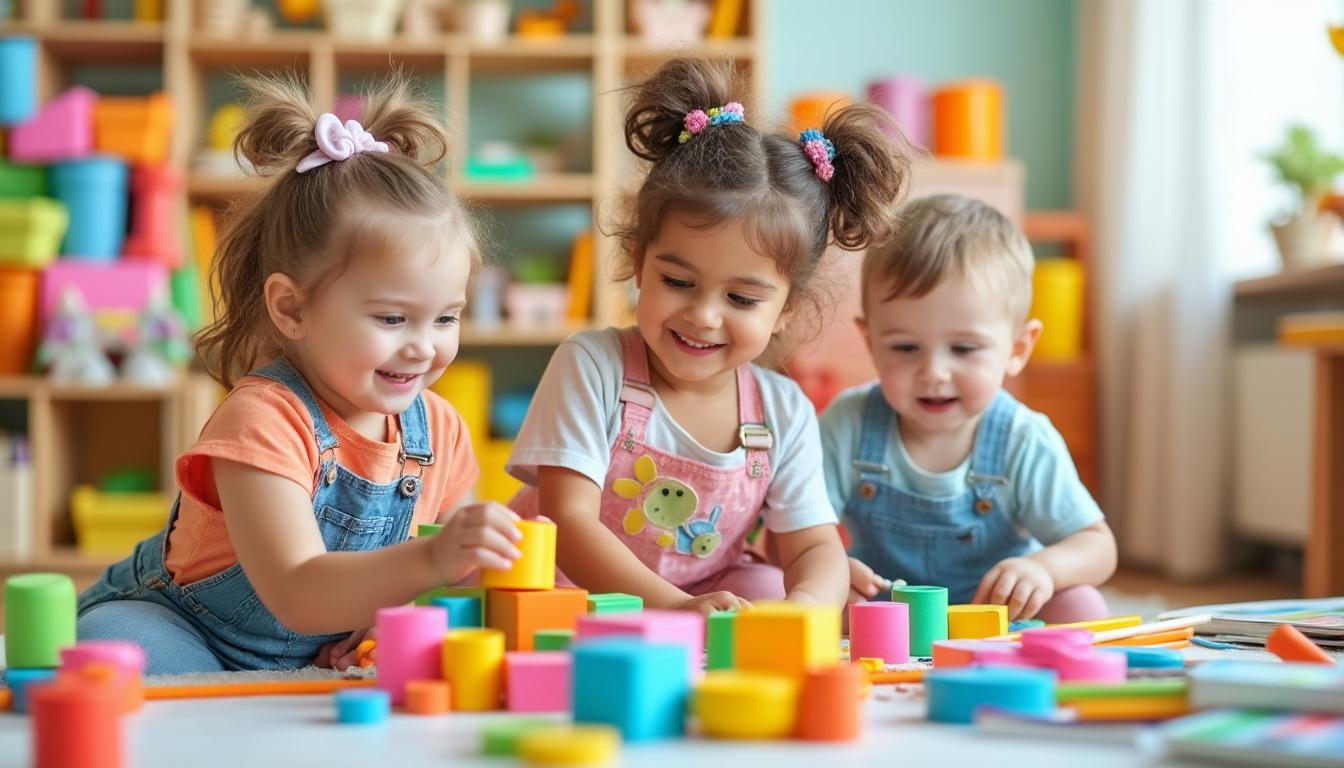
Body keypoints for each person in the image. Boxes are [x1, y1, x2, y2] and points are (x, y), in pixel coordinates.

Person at [76, 75, 522, 674]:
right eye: (392, 318)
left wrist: (395, 613)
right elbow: (298, 590)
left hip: (311, 652)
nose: (422, 347)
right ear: (291, 308)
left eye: (445, 318)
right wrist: (434, 560)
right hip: (182, 625)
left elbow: (449, 582)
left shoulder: (439, 431)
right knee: (125, 651)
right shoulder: (263, 418)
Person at [506, 58, 911, 615]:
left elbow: (812, 545)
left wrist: (809, 605)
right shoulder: (593, 365)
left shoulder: (782, 411)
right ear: (637, 260)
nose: (703, 315)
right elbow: (568, 523)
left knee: (772, 591)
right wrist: (669, 607)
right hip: (572, 591)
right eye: (678, 281)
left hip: (704, 596)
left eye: (741, 299)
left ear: (787, 307)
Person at [822, 194, 1116, 622]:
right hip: (884, 614)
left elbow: (1097, 545)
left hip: (998, 612)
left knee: (1082, 604)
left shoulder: (1022, 437)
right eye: (905, 347)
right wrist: (829, 568)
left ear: (1017, 349)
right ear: (871, 342)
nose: (934, 372)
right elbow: (793, 530)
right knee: (799, 594)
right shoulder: (847, 422)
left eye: (963, 348)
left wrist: (1042, 570)